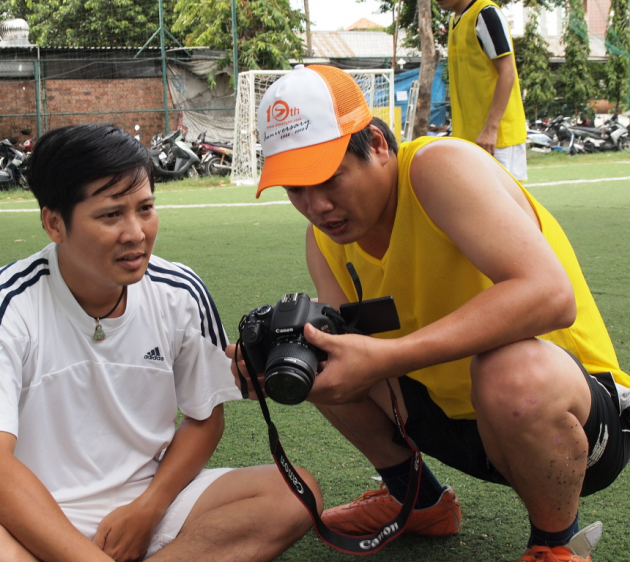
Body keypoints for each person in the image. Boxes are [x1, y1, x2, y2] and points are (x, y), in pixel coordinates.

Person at [235, 64, 630, 562]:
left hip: (569, 420)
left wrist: (388, 357)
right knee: (313, 348)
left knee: (508, 371)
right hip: (456, 425)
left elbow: (551, 295)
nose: (316, 206)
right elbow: (339, 350)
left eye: (328, 178)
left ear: (378, 144)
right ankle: (418, 500)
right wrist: (266, 359)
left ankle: (556, 545)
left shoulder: (439, 167)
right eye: (295, 189)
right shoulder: (323, 242)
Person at [0, 123, 319, 562]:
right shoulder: (1, 304)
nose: (136, 233)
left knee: (295, 492)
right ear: (53, 223)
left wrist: (148, 507)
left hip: (148, 499)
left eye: (145, 208)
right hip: (36, 516)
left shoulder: (179, 290)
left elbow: (204, 418)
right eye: (110, 215)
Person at [438, 0, 529, 181]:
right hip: (470, 140)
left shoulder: (486, 14)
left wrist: (491, 129)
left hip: (497, 139)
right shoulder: (455, 21)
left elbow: (508, 72)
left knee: (503, 206)